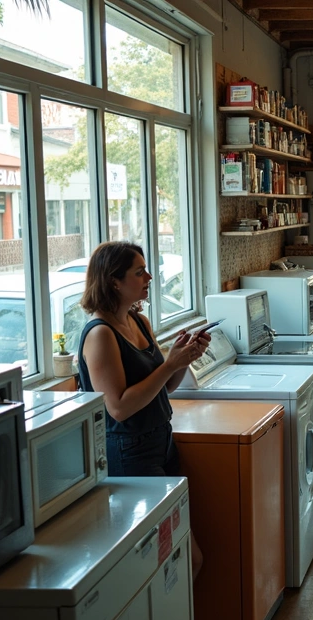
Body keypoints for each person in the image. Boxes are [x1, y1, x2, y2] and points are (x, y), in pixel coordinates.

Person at [77, 241, 209, 579]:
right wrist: (169, 365)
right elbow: (119, 408)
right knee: (180, 559)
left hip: (161, 441)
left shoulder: (139, 321)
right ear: (113, 282)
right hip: (129, 452)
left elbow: (164, 389)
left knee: (178, 556)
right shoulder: (100, 334)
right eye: (139, 272)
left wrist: (183, 360)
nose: (150, 276)